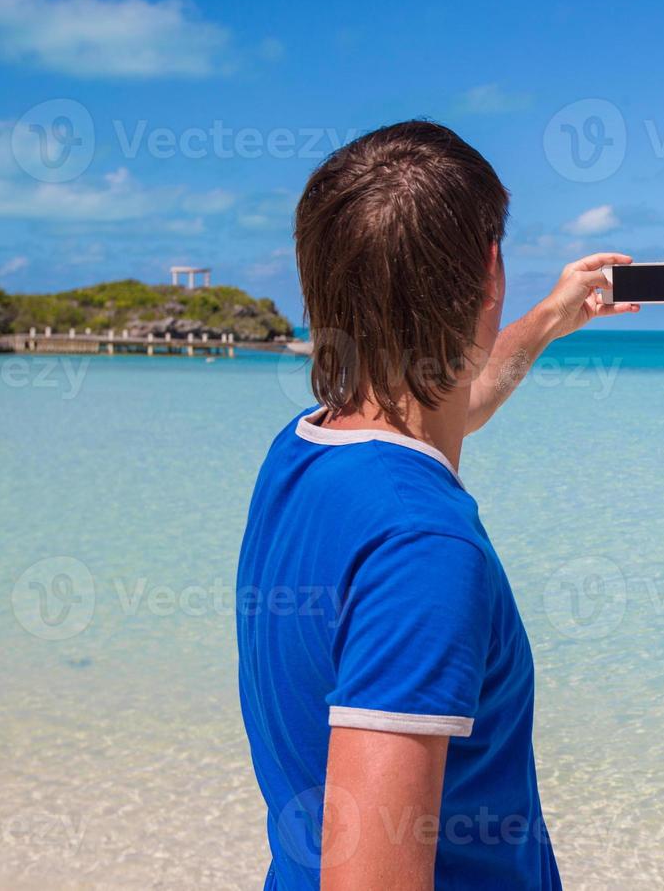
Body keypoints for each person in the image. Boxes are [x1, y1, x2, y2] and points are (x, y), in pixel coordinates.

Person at [236, 121, 637, 890]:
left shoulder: (302, 451)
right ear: (491, 273)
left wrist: (554, 316)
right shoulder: (423, 550)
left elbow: (449, 401)